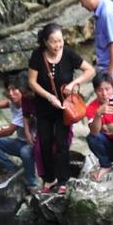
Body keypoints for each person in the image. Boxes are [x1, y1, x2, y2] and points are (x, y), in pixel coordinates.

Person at [28, 23, 95, 194]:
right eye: (54, 42)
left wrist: (74, 83)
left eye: (60, 41)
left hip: (65, 108)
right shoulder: (37, 56)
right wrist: (49, 97)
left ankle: (63, 180)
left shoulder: (68, 55)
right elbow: (32, 82)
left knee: (61, 143)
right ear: (45, 42)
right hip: (44, 107)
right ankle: (49, 179)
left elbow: (90, 70)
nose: (58, 45)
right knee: (44, 142)